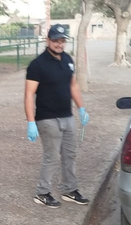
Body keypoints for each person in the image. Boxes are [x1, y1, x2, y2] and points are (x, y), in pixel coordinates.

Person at [24, 24, 90, 208]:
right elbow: (29, 94)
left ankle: (70, 189)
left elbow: (73, 85)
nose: (59, 44)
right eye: (55, 40)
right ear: (48, 40)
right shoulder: (37, 65)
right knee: (51, 157)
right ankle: (42, 193)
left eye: (62, 41)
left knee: (70, 154)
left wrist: (81, 108)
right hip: (47, 118)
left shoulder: (68, 60)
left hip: (67, 116)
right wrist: (31, 122)